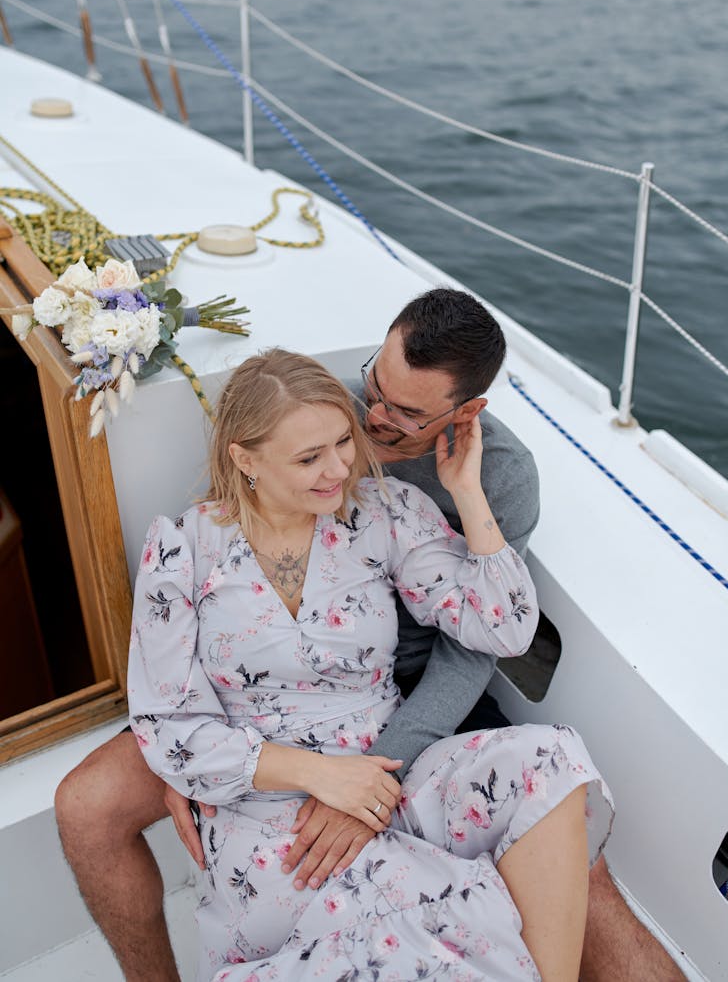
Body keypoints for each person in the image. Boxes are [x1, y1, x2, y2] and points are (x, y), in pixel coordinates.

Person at [54, 288, 684, 981]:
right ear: (247, 458)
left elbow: (499, 632)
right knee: (108, 806)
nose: (353, 448)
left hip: (399, 704)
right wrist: (205, 766)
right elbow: (174, 719)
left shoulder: (393, 505)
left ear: (465, 413)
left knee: (554, 790)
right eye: (371, 392)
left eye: (389, 419)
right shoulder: (195, 537)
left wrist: (466, 493)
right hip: (261, 760)